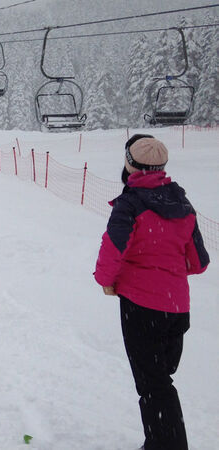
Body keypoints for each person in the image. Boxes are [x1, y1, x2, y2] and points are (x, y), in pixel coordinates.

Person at [94, 135, 209, 450]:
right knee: (160, 379)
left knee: (153, 384)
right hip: (177, 309)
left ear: (130, 165)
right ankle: (160, 441)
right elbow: (198, 261)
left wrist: (106, 280)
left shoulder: (130, 203)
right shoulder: (181, 203)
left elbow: (113, 248)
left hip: (141, 307)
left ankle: (165, 445)